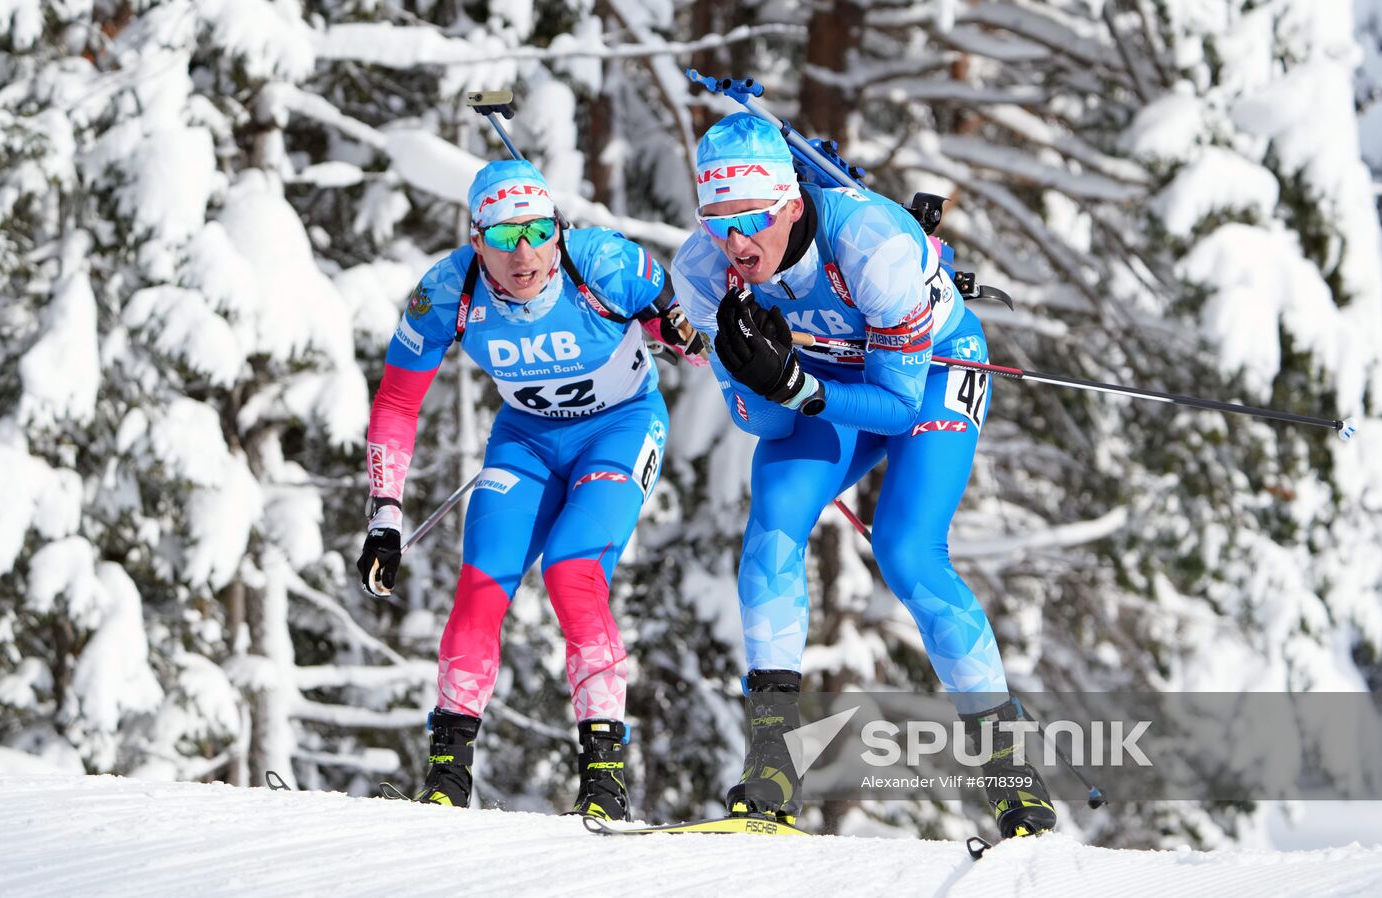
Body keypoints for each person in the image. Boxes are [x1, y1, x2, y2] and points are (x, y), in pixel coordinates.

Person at [670, 113, 1055, 839]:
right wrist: (759, 380)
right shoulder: (702, 273)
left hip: (931, 373)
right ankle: (772, 759)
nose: (736, 242)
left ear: (789, 202)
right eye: (717, 220)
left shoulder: (871, 244)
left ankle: (1011, 773)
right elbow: (768, 428)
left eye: (752, 218)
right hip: (830, 380)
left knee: (908, 552)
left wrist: (793, 386)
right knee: (776, 512)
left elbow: (899, 403)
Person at [356, 159, 706, 820]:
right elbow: (398, 403)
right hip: (527, 440)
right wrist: (385, 516)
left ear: (558, 229)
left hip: (621, 427)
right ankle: (446, 779)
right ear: (476, 237)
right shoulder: (446, 291)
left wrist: (682, 333)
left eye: (539, 231)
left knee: (573, 571)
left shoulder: (598, 260)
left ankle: (604, 779)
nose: (524, 252)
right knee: (481, 583)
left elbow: (676, 324)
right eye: (505, 235)